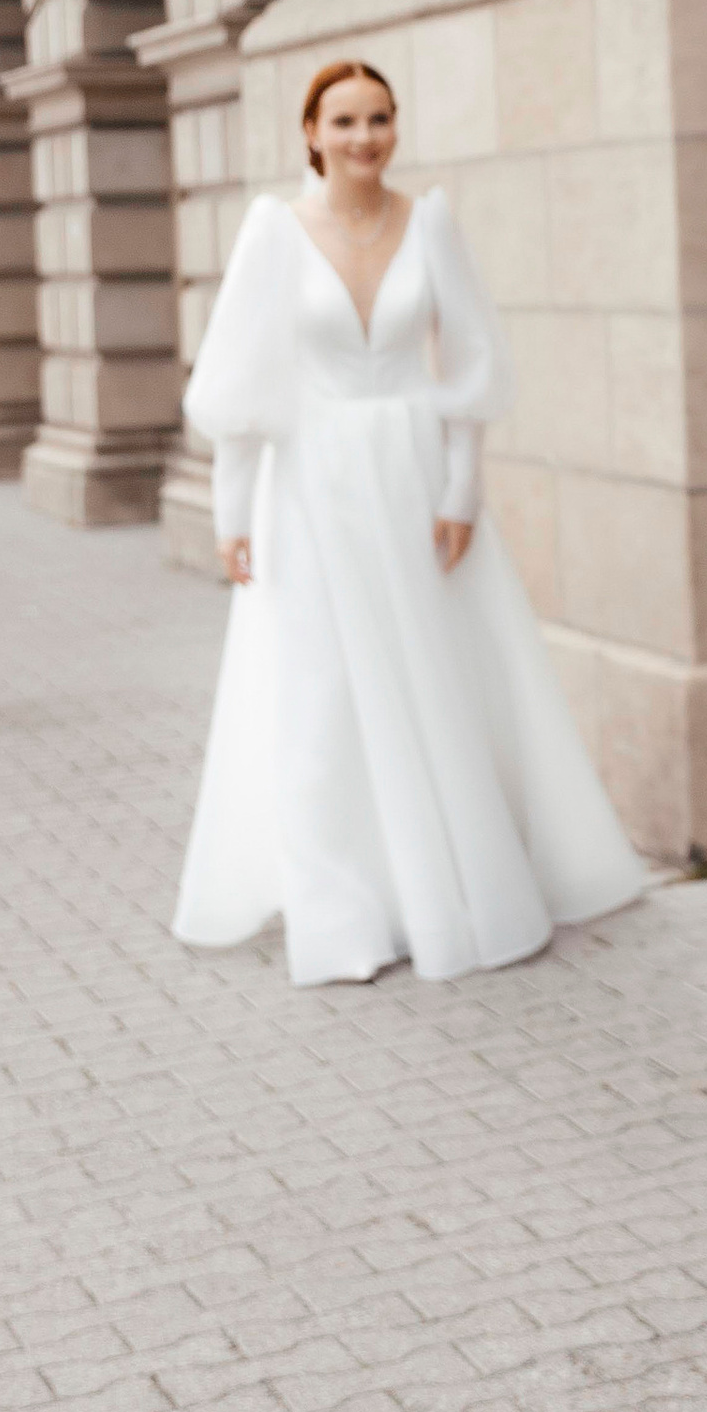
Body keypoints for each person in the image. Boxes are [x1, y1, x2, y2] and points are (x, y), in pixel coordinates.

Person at [172, 58, 647, 985]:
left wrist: (461, 491)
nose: (364, 138)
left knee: (439, 677)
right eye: (344, 121)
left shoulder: (429, 224)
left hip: (414, 474)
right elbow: (243, 380)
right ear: (310, 132)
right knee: (323, 691)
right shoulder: (273, 232)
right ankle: (344, 913)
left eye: (379, 119)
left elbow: (469, 365)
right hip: (308, 484)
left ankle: (450, 886)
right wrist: (233, 512)